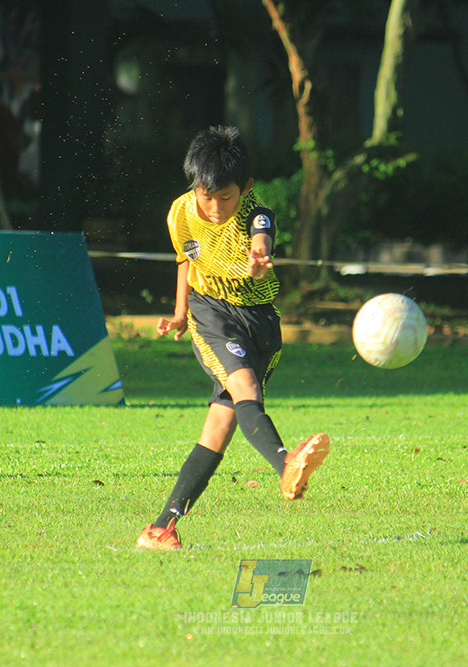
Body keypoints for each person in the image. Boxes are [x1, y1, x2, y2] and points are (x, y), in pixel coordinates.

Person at [136, 126, 329, 550]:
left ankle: (160, 528)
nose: (216, 207)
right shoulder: (182, 212)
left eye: (226, 197)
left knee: (219, 426)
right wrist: (181, 314)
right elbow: (185, 261)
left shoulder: (256, 215)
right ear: (195, 187)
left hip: (259, 321)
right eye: (207, 196)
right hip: (211, 314)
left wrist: (259, 260)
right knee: (244, 387)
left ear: (246, 188)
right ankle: (286, 465)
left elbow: (262, 238)